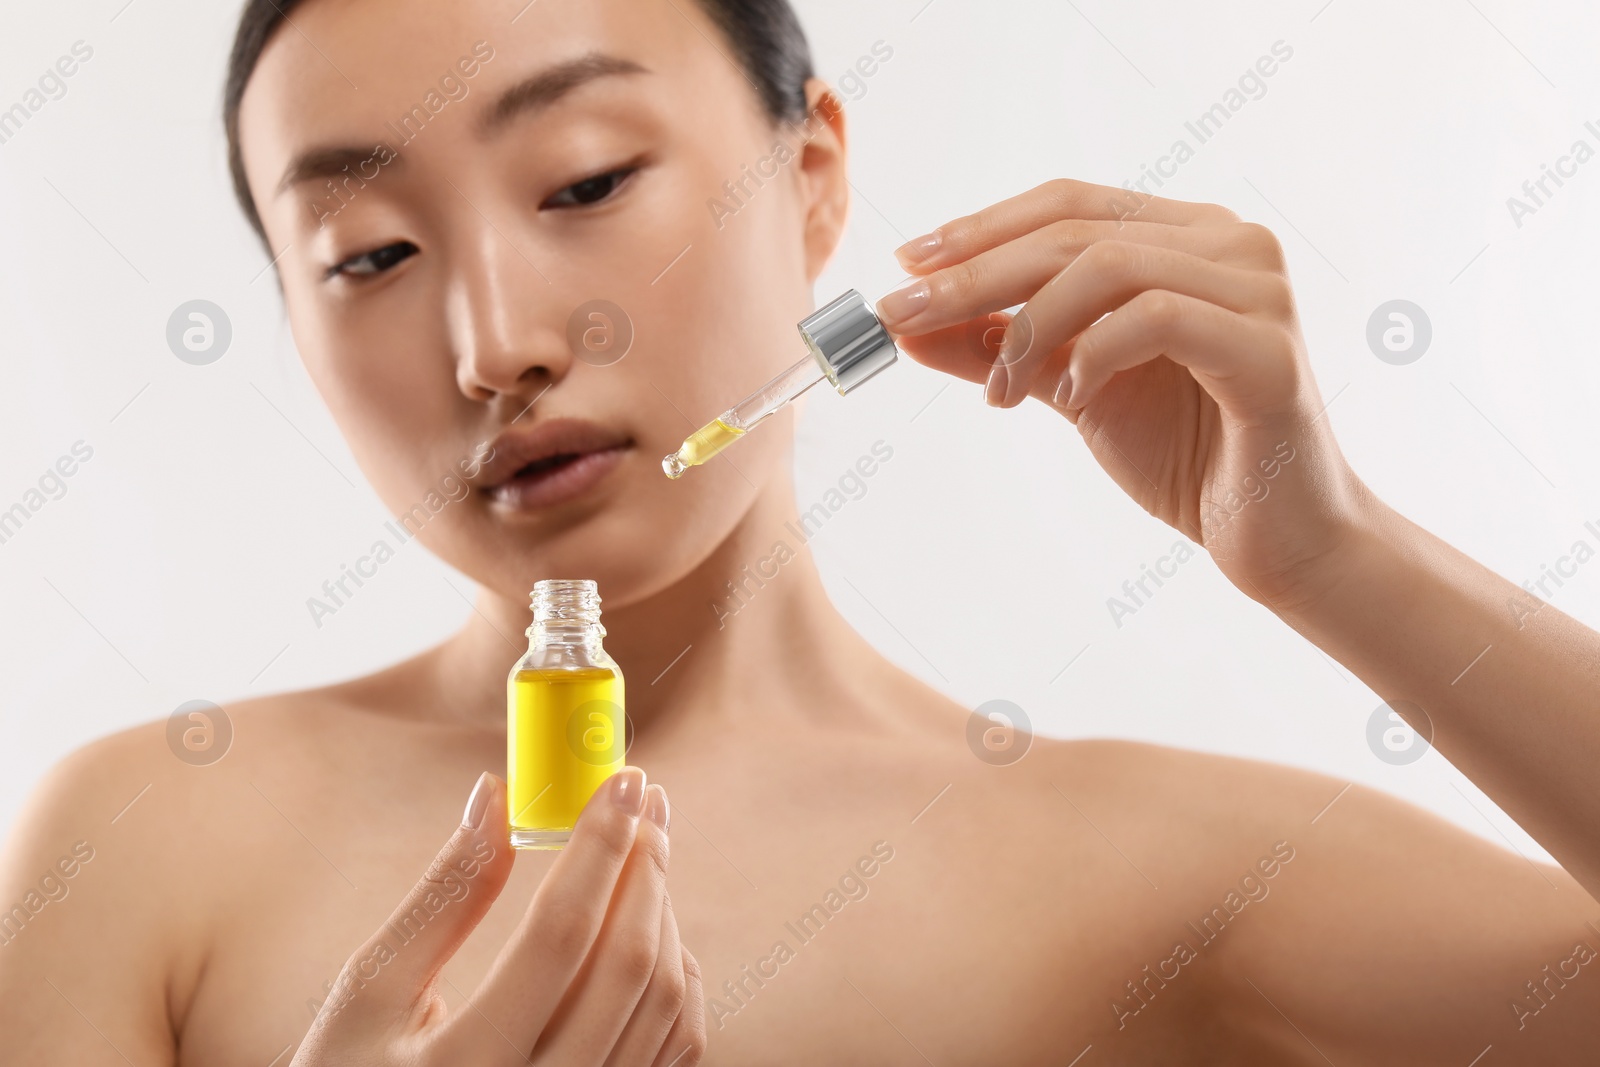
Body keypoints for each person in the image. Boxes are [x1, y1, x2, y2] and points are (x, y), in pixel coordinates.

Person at [3, 0, 1599, 1062]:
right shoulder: (144, 843)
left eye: (584, 179)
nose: (496, 343)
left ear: (813, 178)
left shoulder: (1167, 878)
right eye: (365, 255)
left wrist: (1337, 555)